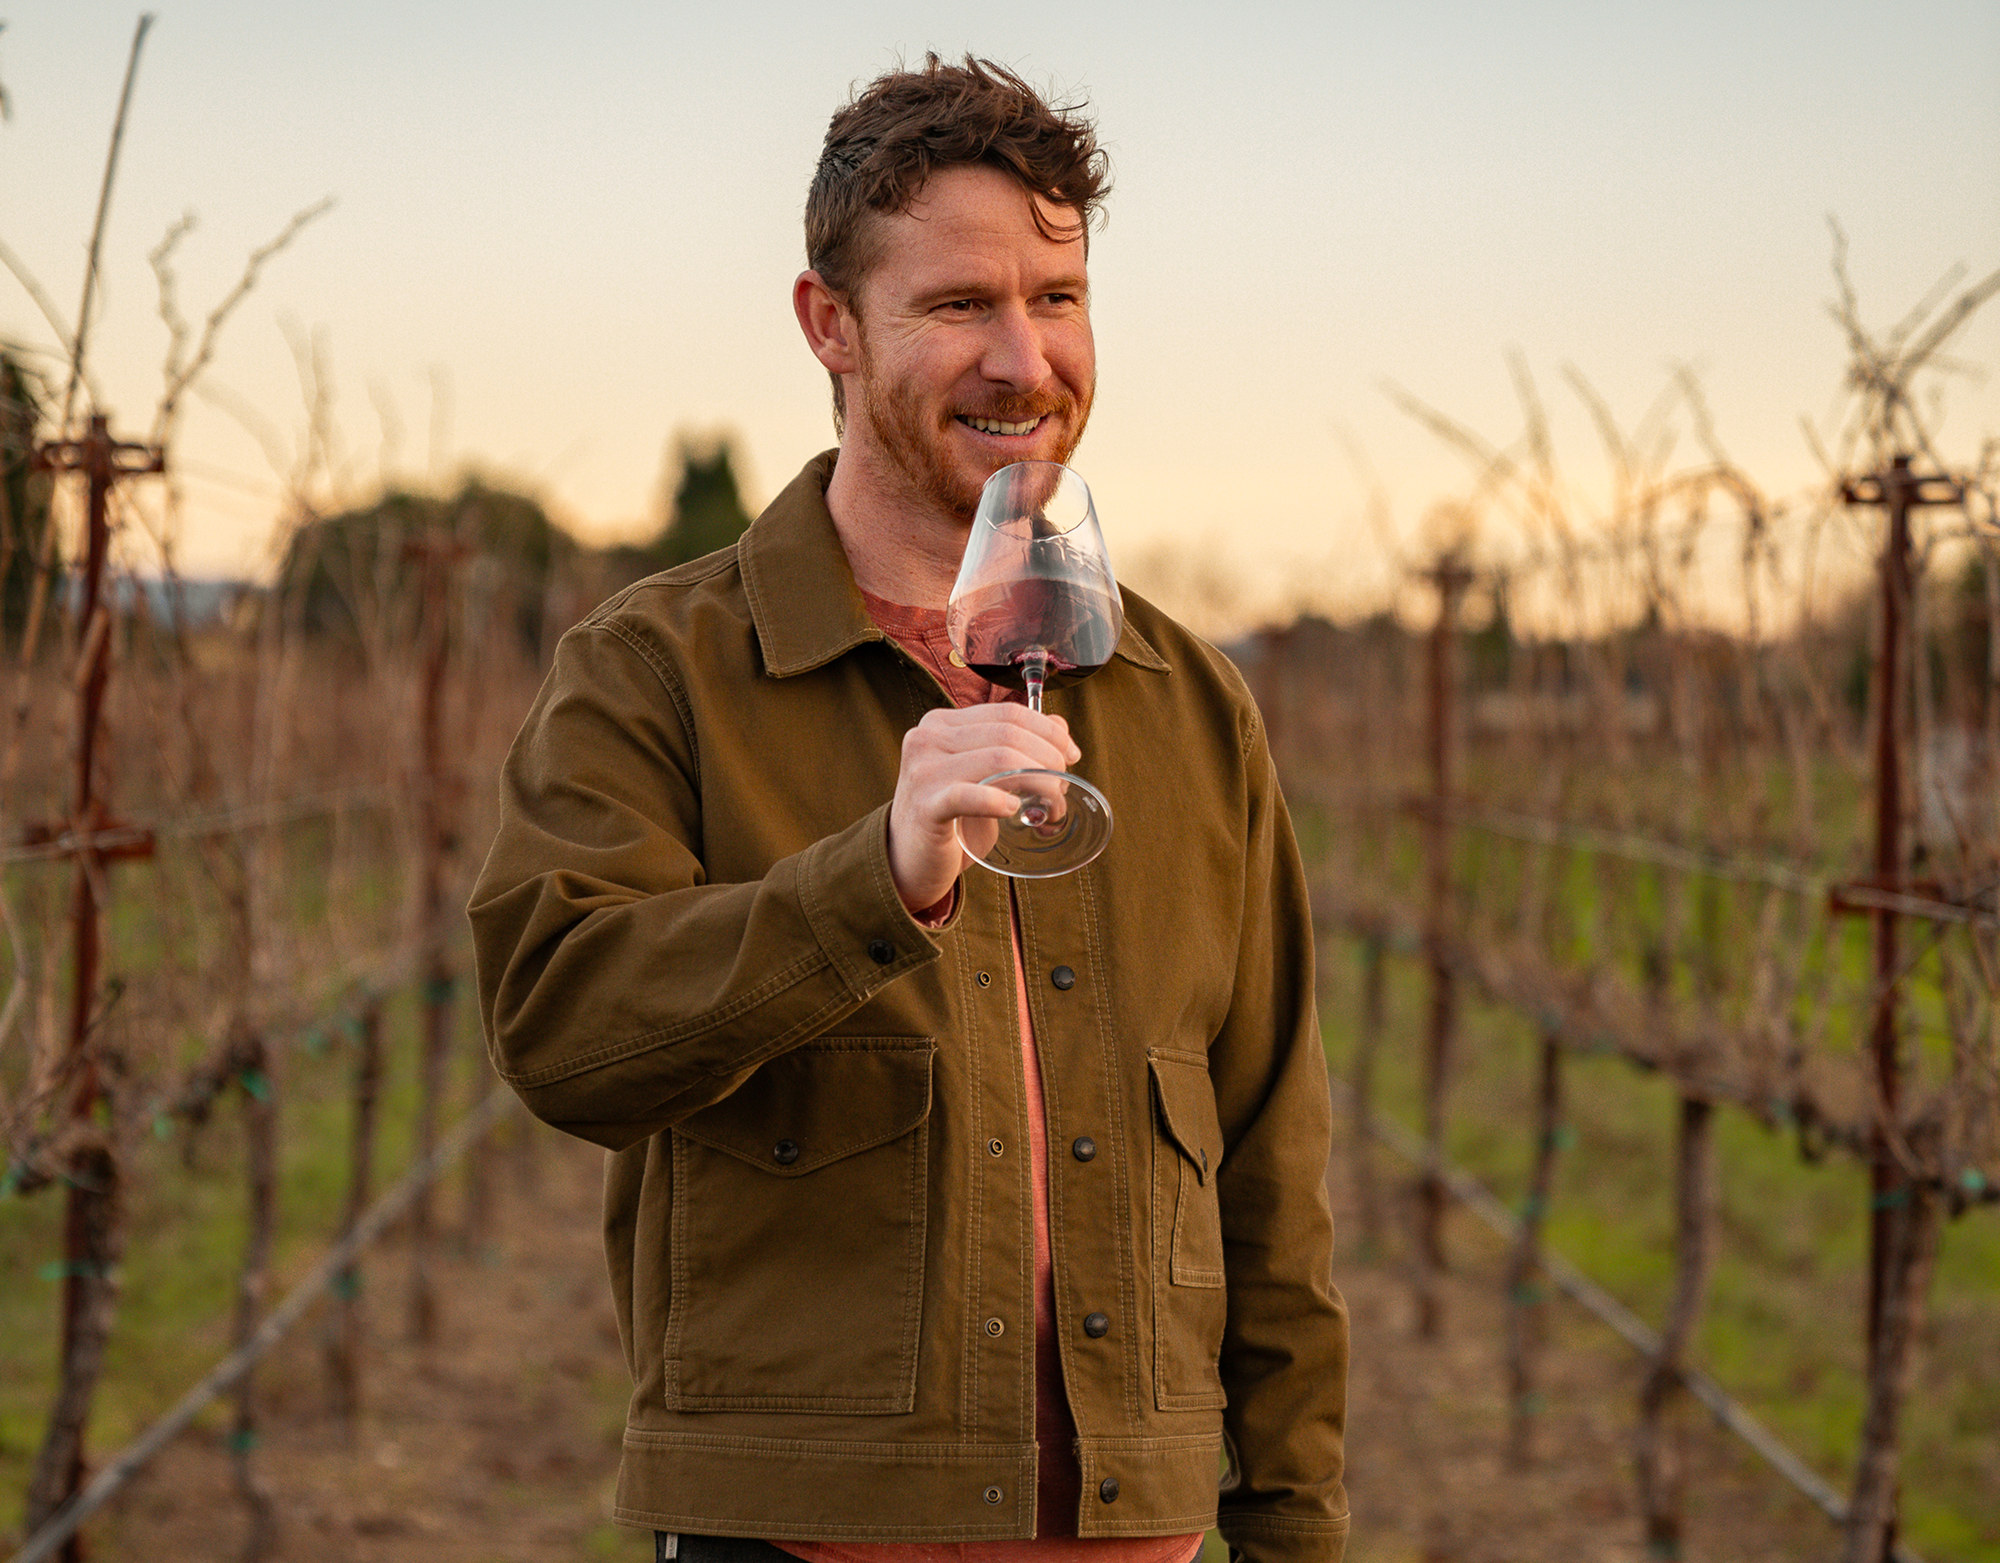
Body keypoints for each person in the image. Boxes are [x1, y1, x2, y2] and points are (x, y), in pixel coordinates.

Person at [469, 53, 1348, 1563]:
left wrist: (1297, 1532)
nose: (1026, 360)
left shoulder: (1189, 701)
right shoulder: (654, 671)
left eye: (1057, 297)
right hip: (801, 1539)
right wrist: (872, 876)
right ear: (830, 323)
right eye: (958, 306)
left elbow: (1272, 1167)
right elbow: (563, 1032)